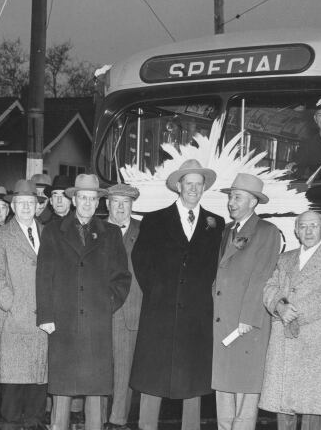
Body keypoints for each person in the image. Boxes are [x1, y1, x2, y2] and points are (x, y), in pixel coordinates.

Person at [131, 159, 225, 430]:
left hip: (196, 314)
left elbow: (217, 267)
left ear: (204, 187)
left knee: (192, 378)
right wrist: (159, 292)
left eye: (198, 184)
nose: (193, 188)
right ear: (178, 186)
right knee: (152, 376)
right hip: (159, 311)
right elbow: (141, 260)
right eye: (188, 183)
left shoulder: (216, 224)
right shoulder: (155, 220)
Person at [37, 174, 131, 430]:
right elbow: (44, 276)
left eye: (93, 198)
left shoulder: (110, 234)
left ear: (99, 202)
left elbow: (122, 277)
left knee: (95, 389)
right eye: (83, 198)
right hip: (62, 321)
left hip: (96, 324)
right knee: (63, 389)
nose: (88, 203)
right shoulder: (54, 232)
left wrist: (106, 305)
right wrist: (46, 316)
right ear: (74, 199)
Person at [260, 211, 321, 430]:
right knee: (284, 405)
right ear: (296, 231)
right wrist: (279, 306)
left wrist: (294, 313)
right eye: (303, 227)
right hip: (284, 340)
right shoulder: (284, 258)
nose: (308, 231)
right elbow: (269, 287)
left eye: (313, 226)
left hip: (314, 340)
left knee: (311, 408)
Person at [212, 174, 280, 430]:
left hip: (245, 325)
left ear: (253, 202)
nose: (231, 202)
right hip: (223, 320)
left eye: (237, 197)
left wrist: (248, 318)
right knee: (224, 389)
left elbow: (263, 275)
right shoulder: (228, 231)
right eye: (231, 196)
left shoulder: (266, 231)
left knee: (245, 393)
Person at [0, 179, 48, 430]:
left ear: (37, 206)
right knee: (12, 392)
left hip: (43, 323)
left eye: (30, 203)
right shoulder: (0, 236)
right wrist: (13, 305)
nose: (25, 208)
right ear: (13, 206)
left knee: (37, 391)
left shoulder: (49, 233)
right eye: (20, 203)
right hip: (13, 323)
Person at [104, 183, 142, 430]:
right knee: (98, 369)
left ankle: (117, 421)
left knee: (124, 371)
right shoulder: (95, 229)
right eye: (116, 201)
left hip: (131, 309)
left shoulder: (144, 231)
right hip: (99, 309)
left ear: (132, 205)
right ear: (106, 203)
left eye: (126, 202)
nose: (120, 207)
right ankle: (94, 420)